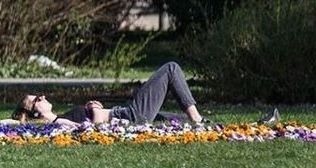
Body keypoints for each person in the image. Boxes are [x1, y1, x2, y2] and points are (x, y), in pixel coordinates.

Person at [10, 61, 203, 127]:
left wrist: (94, 109)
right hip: (131, 116)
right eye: (37, 99)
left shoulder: (60, 118)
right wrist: (94, 112)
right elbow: (84, 130)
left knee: (178, 120)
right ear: (36, 112)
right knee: (171, 69)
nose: (42, 97)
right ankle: (196, 118)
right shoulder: (56, 122)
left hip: (125, 114)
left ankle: (198, 123)